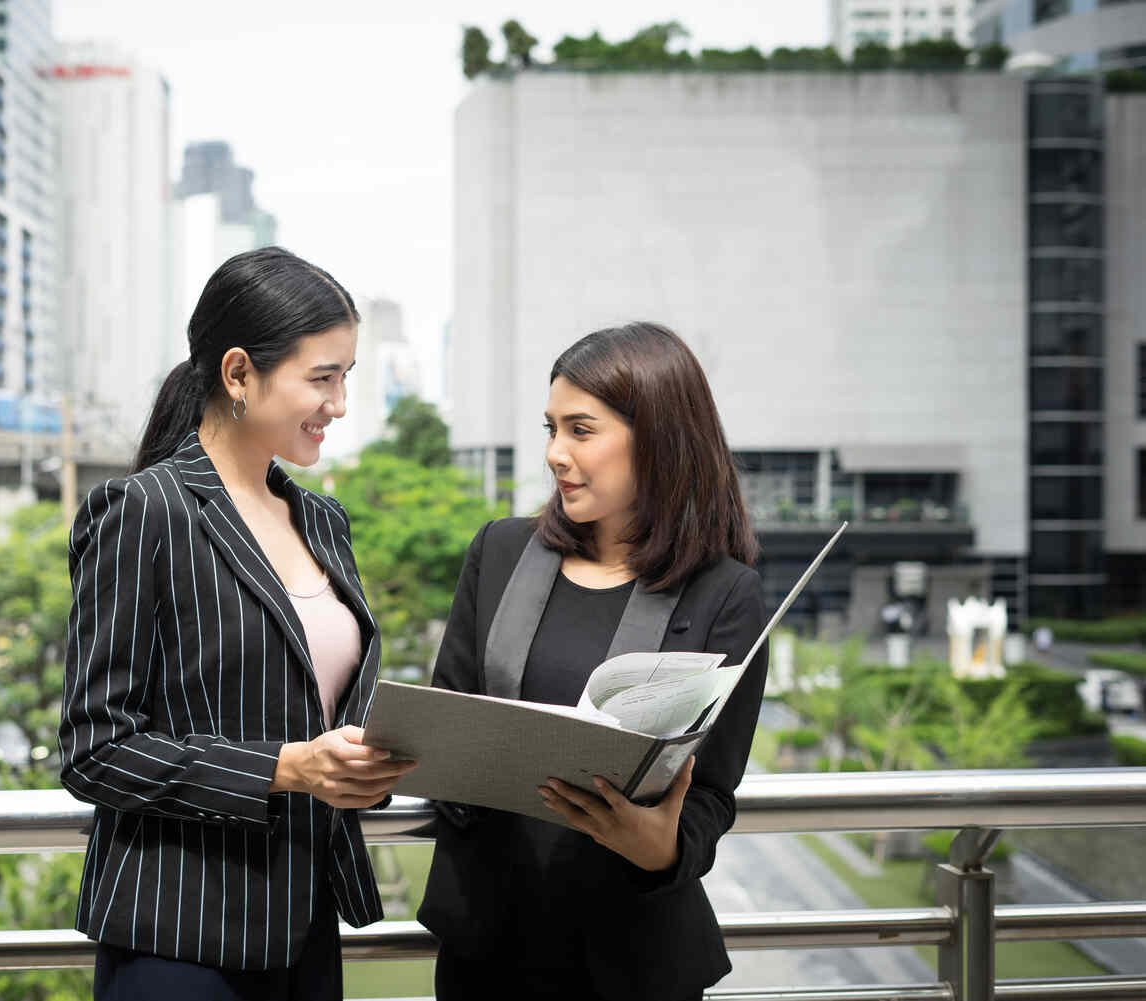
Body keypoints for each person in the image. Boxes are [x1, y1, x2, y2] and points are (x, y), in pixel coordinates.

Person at [58, 246, 415, 1001]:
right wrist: (285, 768)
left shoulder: (322, 519)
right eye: (322, 378)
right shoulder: (145, 512)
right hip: (180, 939)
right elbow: (95, 750)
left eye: (346, 376)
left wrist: (363, 768)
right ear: (238, 374)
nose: (340, 404)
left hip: (307, 923)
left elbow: (318, 710)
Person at [417, 322, 768, 1001]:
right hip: (487, 952)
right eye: (550, 428)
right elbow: (447, 720)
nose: (553, 452)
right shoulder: (500, 551)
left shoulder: (724, 592)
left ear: (659, 437)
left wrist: (655, 845)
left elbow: (711, 795)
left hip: (633, 960)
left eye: (581, 430)